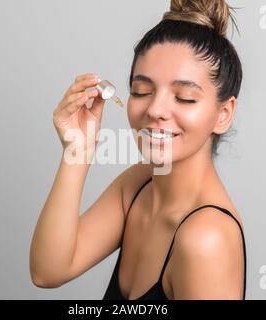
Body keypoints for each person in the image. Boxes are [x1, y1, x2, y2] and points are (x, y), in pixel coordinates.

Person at [30, 0, 246, 300]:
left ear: (223, 114)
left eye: (184, 97)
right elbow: (47, 271)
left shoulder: (207, 239)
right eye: (141, 91)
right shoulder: (138, 184)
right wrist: (76, 153)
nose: (156, 109)